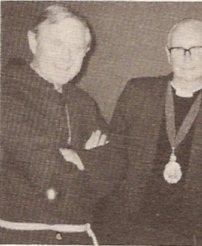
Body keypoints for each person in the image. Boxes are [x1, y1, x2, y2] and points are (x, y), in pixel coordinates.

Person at [95, 18, 202, 245]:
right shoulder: (137, 92)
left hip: (190, 235)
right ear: (168, 54)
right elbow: (113, 155)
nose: (187, 57)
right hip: (128, 230)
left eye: (196, 49)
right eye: (179, 49)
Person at [1, 5, 124, 245]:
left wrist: (76, 158)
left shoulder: (83, 102)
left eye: (76, 48)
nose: (66, 57)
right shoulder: (7, 94)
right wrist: (88, 161)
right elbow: (50, 176)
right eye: (57, 44)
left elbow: (117, 166)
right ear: (33, 41)